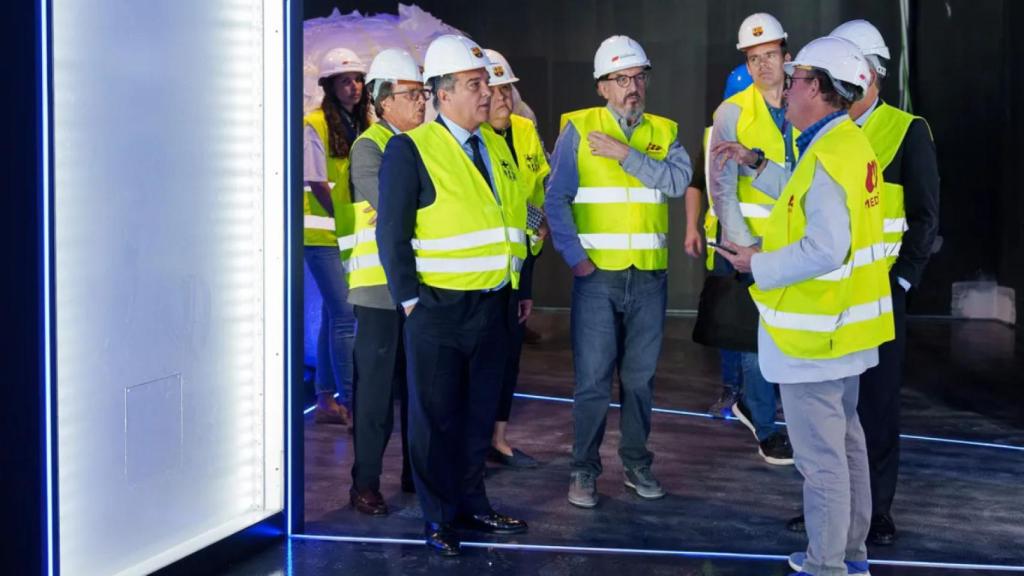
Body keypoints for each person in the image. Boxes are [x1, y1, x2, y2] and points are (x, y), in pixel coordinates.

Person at [712, 36, 894, 576]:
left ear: (817, 87)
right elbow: (805, 195)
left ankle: (826, 564)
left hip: (816, 335)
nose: (784, 88)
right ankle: (851, 555)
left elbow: (825, 245)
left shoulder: (830, 151)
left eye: (794, 80)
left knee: (822, 463)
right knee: (849, 446)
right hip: (846, 330)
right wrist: (756, 163)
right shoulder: (845, 144)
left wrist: (756, 266)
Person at [786, 19, 941, 546]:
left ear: (870, 74)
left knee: (875, 404)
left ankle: (875, 512)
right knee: (834, 408)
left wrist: (904, 282)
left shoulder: (904, 128)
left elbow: (924, 215)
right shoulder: (822, 131)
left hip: (879, 293)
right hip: (831, 293)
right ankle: (833, 513)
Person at [376, 34, 530, 556]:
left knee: (477, 416)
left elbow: (513, 219)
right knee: (434, 419)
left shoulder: (493, 144)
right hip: (438, 310)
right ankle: (438, 517)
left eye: (484, 82)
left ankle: (472, 505)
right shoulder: (411, 148)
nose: (487, 92)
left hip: (491, 306)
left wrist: (518, 287)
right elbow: (391, 234)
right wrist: (411, 302)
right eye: (473, 84)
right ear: (442, 94)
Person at [545, 35, 692, 508]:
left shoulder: (665, 131)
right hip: (597, 278)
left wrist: (626, 155)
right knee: (591, 381)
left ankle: (635, 464)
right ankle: (584, 471)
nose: (633, 87)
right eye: (622, 79)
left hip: (648, 276)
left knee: (639, 380)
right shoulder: (577, 129)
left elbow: (677, 181)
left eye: (638, 77)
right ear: (602, 86)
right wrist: (575, 258)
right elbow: (556, 198)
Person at [708, 13, 797, 464]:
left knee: (791, 335)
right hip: (749, 244)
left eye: (770, 55)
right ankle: (764, 423)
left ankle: (770, 411)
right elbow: (720, 187)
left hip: (797, 245)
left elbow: (806, 182)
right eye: (754, 58)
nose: (764, 66)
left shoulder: (809, 101)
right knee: (753, 340)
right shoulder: (732, 112)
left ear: (786, 53)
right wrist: (744, 247)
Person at [344, 48, 425, 516]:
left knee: (418, 388)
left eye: (422, 94)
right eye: (411, 94)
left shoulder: (424, 143)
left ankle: (416, 474)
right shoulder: (369, 147)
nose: (420, 103)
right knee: (375, 394)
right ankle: (365, 483)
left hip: (418, 284)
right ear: (382, 100)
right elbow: (399, 208)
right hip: (378, 290)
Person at [483, 48, 550, 469]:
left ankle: (499, 438)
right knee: (483, 358)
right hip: (483, 265)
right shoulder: (472, 139)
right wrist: (531, 218)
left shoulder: (525, 130)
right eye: (493, 90)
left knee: (510, 355)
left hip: (522, 257)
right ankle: (475, 442)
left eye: (507, 88)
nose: (503, 98)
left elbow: (537, 186)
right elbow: (497, 201)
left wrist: (536, 223)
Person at [303, 47, 368, 426]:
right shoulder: (315, 123)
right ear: (329, 86)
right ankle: (354, 402)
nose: (354, 86)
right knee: (346, 316)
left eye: (358, 79)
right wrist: (346, 221)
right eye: (345, 80)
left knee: (333, 315)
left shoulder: (360, 122)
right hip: (322, 234)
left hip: (347, 232)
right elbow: (315, 181)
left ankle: (326, 398)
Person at [697, 63, 754, 419]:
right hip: (727, 243)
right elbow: (697, 183)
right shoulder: (714, 133)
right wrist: (692, 226)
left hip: (768, 242)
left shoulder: (781, 128)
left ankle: (760, 394)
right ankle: (733, 391)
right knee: (730, 322)